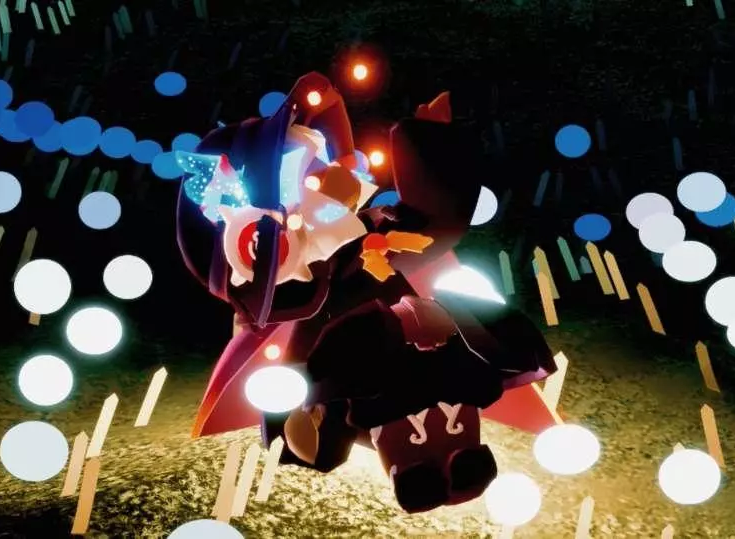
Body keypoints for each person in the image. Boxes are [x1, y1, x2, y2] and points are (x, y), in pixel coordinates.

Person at [175, 70, 560, 512]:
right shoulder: (282, 290)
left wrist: (430, 141)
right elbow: (293, 362)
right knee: (349, 416)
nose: (327, 178)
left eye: (319, 166)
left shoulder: (373, 239)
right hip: (359, 373)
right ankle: (414, 471)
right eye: (306, 174)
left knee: (443, 388)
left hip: (424, 350)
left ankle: (459, 460)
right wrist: (301, 413)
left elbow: (432, 224)